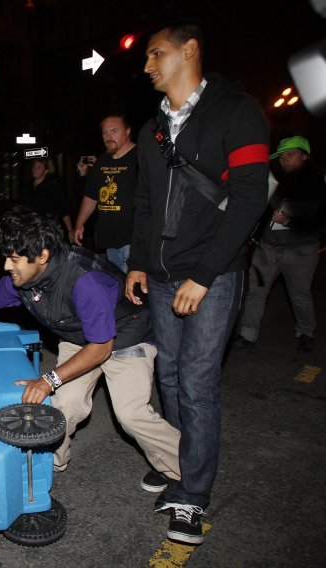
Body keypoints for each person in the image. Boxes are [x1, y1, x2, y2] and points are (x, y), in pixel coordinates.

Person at [125, 20, 269, 545]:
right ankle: (178, 464)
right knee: (168, 377)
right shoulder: (150, 130)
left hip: (214, 276)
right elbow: (143, 204)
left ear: (189, 52)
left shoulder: (238, 112)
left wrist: (205, 276)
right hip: (161, 277)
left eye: (155, 54)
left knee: (198, 383)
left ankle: (194, 494)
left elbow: (250, 200)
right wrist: (139, 262)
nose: (146, 66)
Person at [0, 206, 181, 497]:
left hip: (124, 338)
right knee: (63, 405)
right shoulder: (23, 279)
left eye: (14, 258)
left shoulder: (85, 281)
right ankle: (51, 465)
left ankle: (185, 470)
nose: (7, 266)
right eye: (6, 256)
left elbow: (101, 348)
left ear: (42, 255)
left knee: (131, 414)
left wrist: (50, 379)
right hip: (79, 337)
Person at [233, 136, 326, 352]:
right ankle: (248, 335)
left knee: (300, 294)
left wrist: (290, 221)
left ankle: (305, 332)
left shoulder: (318, 183)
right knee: (256, 293)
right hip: (268, 249)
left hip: (301, 250)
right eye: (281, 156)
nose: (284, 160)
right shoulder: (273, 181)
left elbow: (320, 221)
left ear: (304, 156)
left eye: (290, 154)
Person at [72, 114, 138, 272]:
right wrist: (80, 223)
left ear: (127, 131)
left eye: (114, 131)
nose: (108, 137)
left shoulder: (140, 157)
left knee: (131, 292)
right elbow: (91, 196)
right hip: (109, 241)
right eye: (105, 133)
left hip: (133, 241)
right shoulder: (102, 160)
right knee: (116, 289)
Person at [21, 157, 73, 236]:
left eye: (39, 167)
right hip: (30, 229)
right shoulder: (28, 186)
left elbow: (63, 209)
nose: (35, 169)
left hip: (48, 229)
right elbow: (23, 207)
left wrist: (70, 230)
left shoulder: (53, 187)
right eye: (34, 166)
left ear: (45, 171)